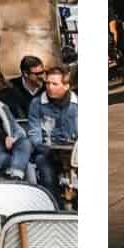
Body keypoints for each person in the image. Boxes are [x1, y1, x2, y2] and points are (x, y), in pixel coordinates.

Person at [27, 66, 78, 198]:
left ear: (66, 86)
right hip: (47, 151)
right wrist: (43, 146)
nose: (49, 87)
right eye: (48, 83)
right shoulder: (37, 104)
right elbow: (34, 133)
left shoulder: (77, 104)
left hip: (74, 152)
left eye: (54, 84)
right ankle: (54, 207)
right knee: (46, 171)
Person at [1, 54, 46, 121]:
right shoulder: (11, 88)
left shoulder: (47, 88)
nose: (41, 76)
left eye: (42, 72)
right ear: (25, 74)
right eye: (37, 74)